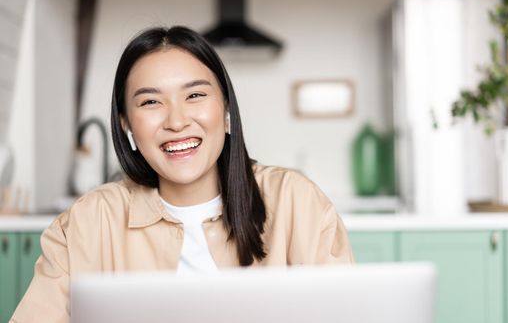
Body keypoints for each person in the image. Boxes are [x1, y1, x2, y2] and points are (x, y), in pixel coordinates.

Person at [10, 26, 354, 323]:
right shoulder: (87, 223)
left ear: (226, 108)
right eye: (150, 102)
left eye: (195, 95)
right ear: (126, 123)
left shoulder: (296, 201)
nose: (176, 121)